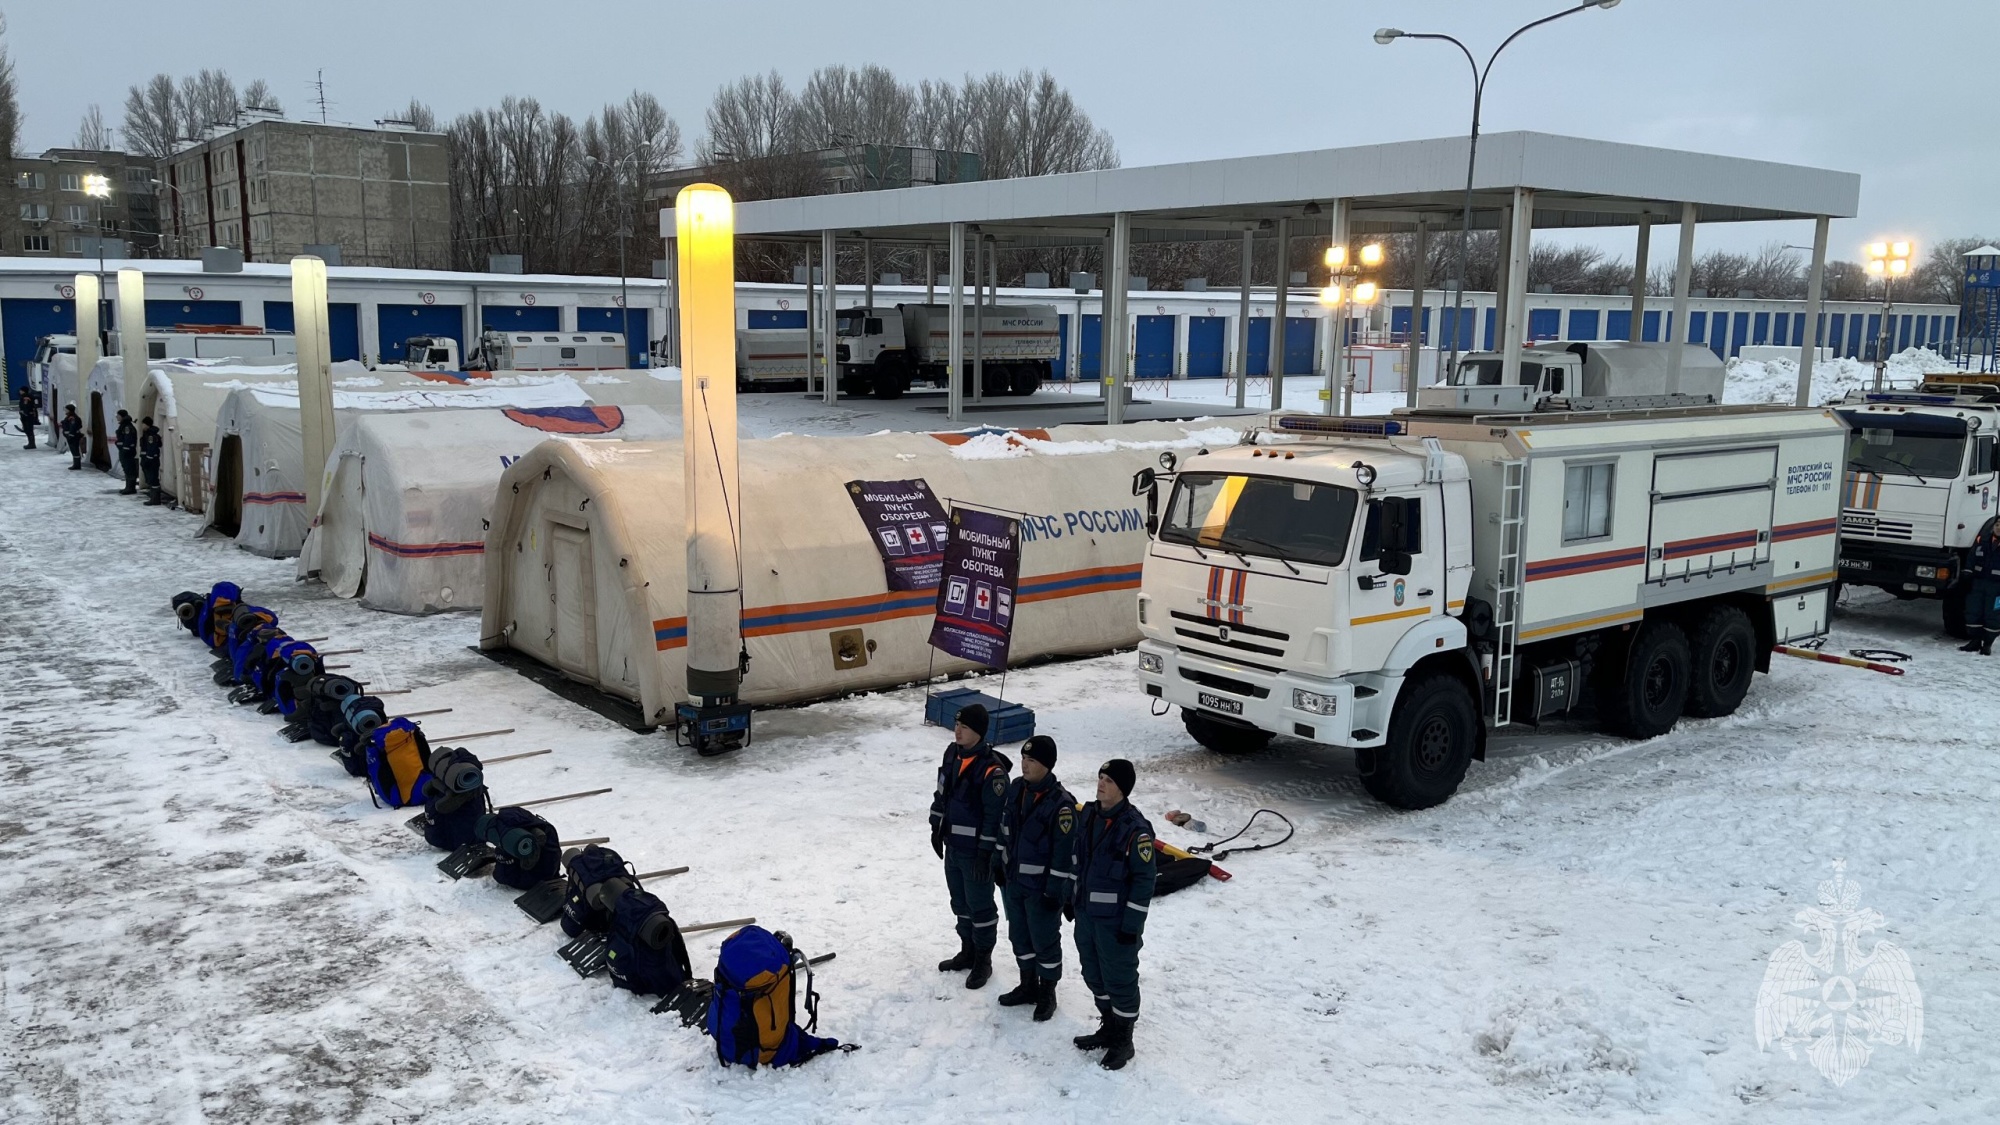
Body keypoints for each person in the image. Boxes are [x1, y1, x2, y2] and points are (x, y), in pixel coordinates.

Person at [1069, 758, 1156, 1071]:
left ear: (1123, 788)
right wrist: (1072, 896)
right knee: (1093, 973)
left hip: (1116, 922)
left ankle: (1124, 1039)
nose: (1101, 783)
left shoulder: (1136, 830)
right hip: (1087, 916)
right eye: (1100, 777)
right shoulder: (1090, 815)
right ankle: (1108, 1025)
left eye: (1109, 780)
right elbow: (1078, 858)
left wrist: (1131, 925)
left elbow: (1144, 881)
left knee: (1119, 979)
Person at [928, 703, 1011, 990]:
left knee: (981, 908)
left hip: (976, 853)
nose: (957, 730)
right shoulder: (952, 754)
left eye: (964, 727)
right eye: (957, 724)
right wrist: (935, 826)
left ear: (979, 732)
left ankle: (983, 960)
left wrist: (987, 854)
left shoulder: (992, 771)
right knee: (959, 903)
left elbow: (994, 818)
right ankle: (968, 949)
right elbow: (942, 793)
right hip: (953, 847)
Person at [994, 734, 1076, 1022]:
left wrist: (1056, 891)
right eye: (1023, 759)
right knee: (1019, 935)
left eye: (1031, 761)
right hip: (1015, 883)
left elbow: (1064, 855)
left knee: (1044, 940)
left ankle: (1047, 991)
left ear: (1047, 765)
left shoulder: (1061, 805)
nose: (1024, 766)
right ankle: (1027, 984)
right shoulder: (1017, 789)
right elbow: (1005, 830)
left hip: (1041, 891)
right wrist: (997, 861)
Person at [1962, 515, 2000, 655]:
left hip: (1997, 587)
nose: (1999, 528)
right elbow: (1972, 556)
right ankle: (1975, 641)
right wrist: (1968, 571)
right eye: (1997, 525)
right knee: (1973, 611)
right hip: (1978, 582)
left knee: (1993, 615)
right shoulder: (1982, 540)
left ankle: (1988, 644)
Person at [139, 416, 164, 505]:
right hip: (148, 460)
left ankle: (155, 499)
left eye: (143, 424)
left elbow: (151, 448)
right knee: (150, 478)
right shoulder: (147, 434)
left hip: (151, 461)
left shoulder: (151, 436)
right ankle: (153, 498)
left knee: (153, 479)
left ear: (147, 425)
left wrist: (148, 459)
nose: (142, 426)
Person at [114, 409, 139, 494]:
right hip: (124, 451)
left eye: (118, 415)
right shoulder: (124, 425)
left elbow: (128, 440)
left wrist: (123, 448)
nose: (116, 417)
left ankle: (131, 488)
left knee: (129, 469)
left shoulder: (127, 427)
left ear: (122, 416)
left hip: (127, 451)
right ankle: (128, 487)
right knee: (126, 469)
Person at [59, 405, 84, 470]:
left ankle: (77, 465)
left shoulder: (72, 418)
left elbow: (73, 427)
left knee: (75, 450)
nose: (65, 411)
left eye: (66, 410)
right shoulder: (69, 417)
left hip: (73, 437)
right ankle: (75, 464)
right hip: (71, 436)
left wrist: (70, 436)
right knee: (73, 450)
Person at [17, 384, 41, 449]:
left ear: (23, 391)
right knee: (28, 429)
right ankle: (31, 443)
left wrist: (25, 412)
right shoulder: (25, 396)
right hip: (27, 415)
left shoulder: (26, 397)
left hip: (27, 416)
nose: (19, 391)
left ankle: (32, 444)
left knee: (29, 429)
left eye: (21, 390)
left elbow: (26, 406)